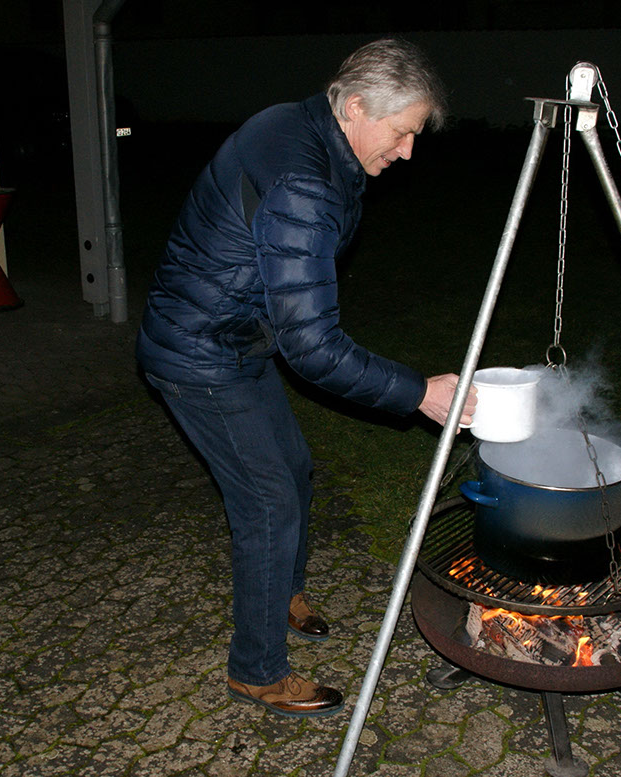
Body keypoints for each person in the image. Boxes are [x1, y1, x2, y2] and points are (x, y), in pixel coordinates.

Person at [135, 38, 473, 718]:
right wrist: (419, 394)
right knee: (268, 501)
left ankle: (280, 591)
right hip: (199, 352)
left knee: (292, 468)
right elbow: (314, 347)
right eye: (403, 132)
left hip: (233, 334)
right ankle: (256, 671)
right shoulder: (306, 182)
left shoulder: (302, 125)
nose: (408, 152)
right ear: (354, 108)